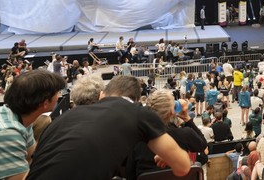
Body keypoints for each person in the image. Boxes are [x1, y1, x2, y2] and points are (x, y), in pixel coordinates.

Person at [28, 75, 191, 180]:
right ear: (135, 100)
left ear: (101, 95)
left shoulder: (60, 119)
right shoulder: (139, 113)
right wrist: (170, 154)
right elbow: (183, 167)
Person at [0, 70, 67, 180]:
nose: (59, 96)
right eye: (57, 92)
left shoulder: (20, 117)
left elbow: (33, 155)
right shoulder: (8, 133)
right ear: (45, 103)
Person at [127, 90, 208, 179]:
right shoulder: (185, 134)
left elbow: (130, 173)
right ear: (172, 112)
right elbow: (203, 144)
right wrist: (187, 119)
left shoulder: (135, 139)